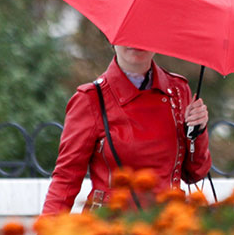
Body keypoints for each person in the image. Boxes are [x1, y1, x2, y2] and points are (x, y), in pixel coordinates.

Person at [42, 45, 211, 214]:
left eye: (145, 33)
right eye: (129, 37)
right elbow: (66, 178)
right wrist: (47, 229)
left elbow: (195, 172)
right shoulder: (90, 98)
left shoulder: (178, 90)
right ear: (113, 40)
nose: (136, 43)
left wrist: (197, 130)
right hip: (113, 224)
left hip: (167, 223)